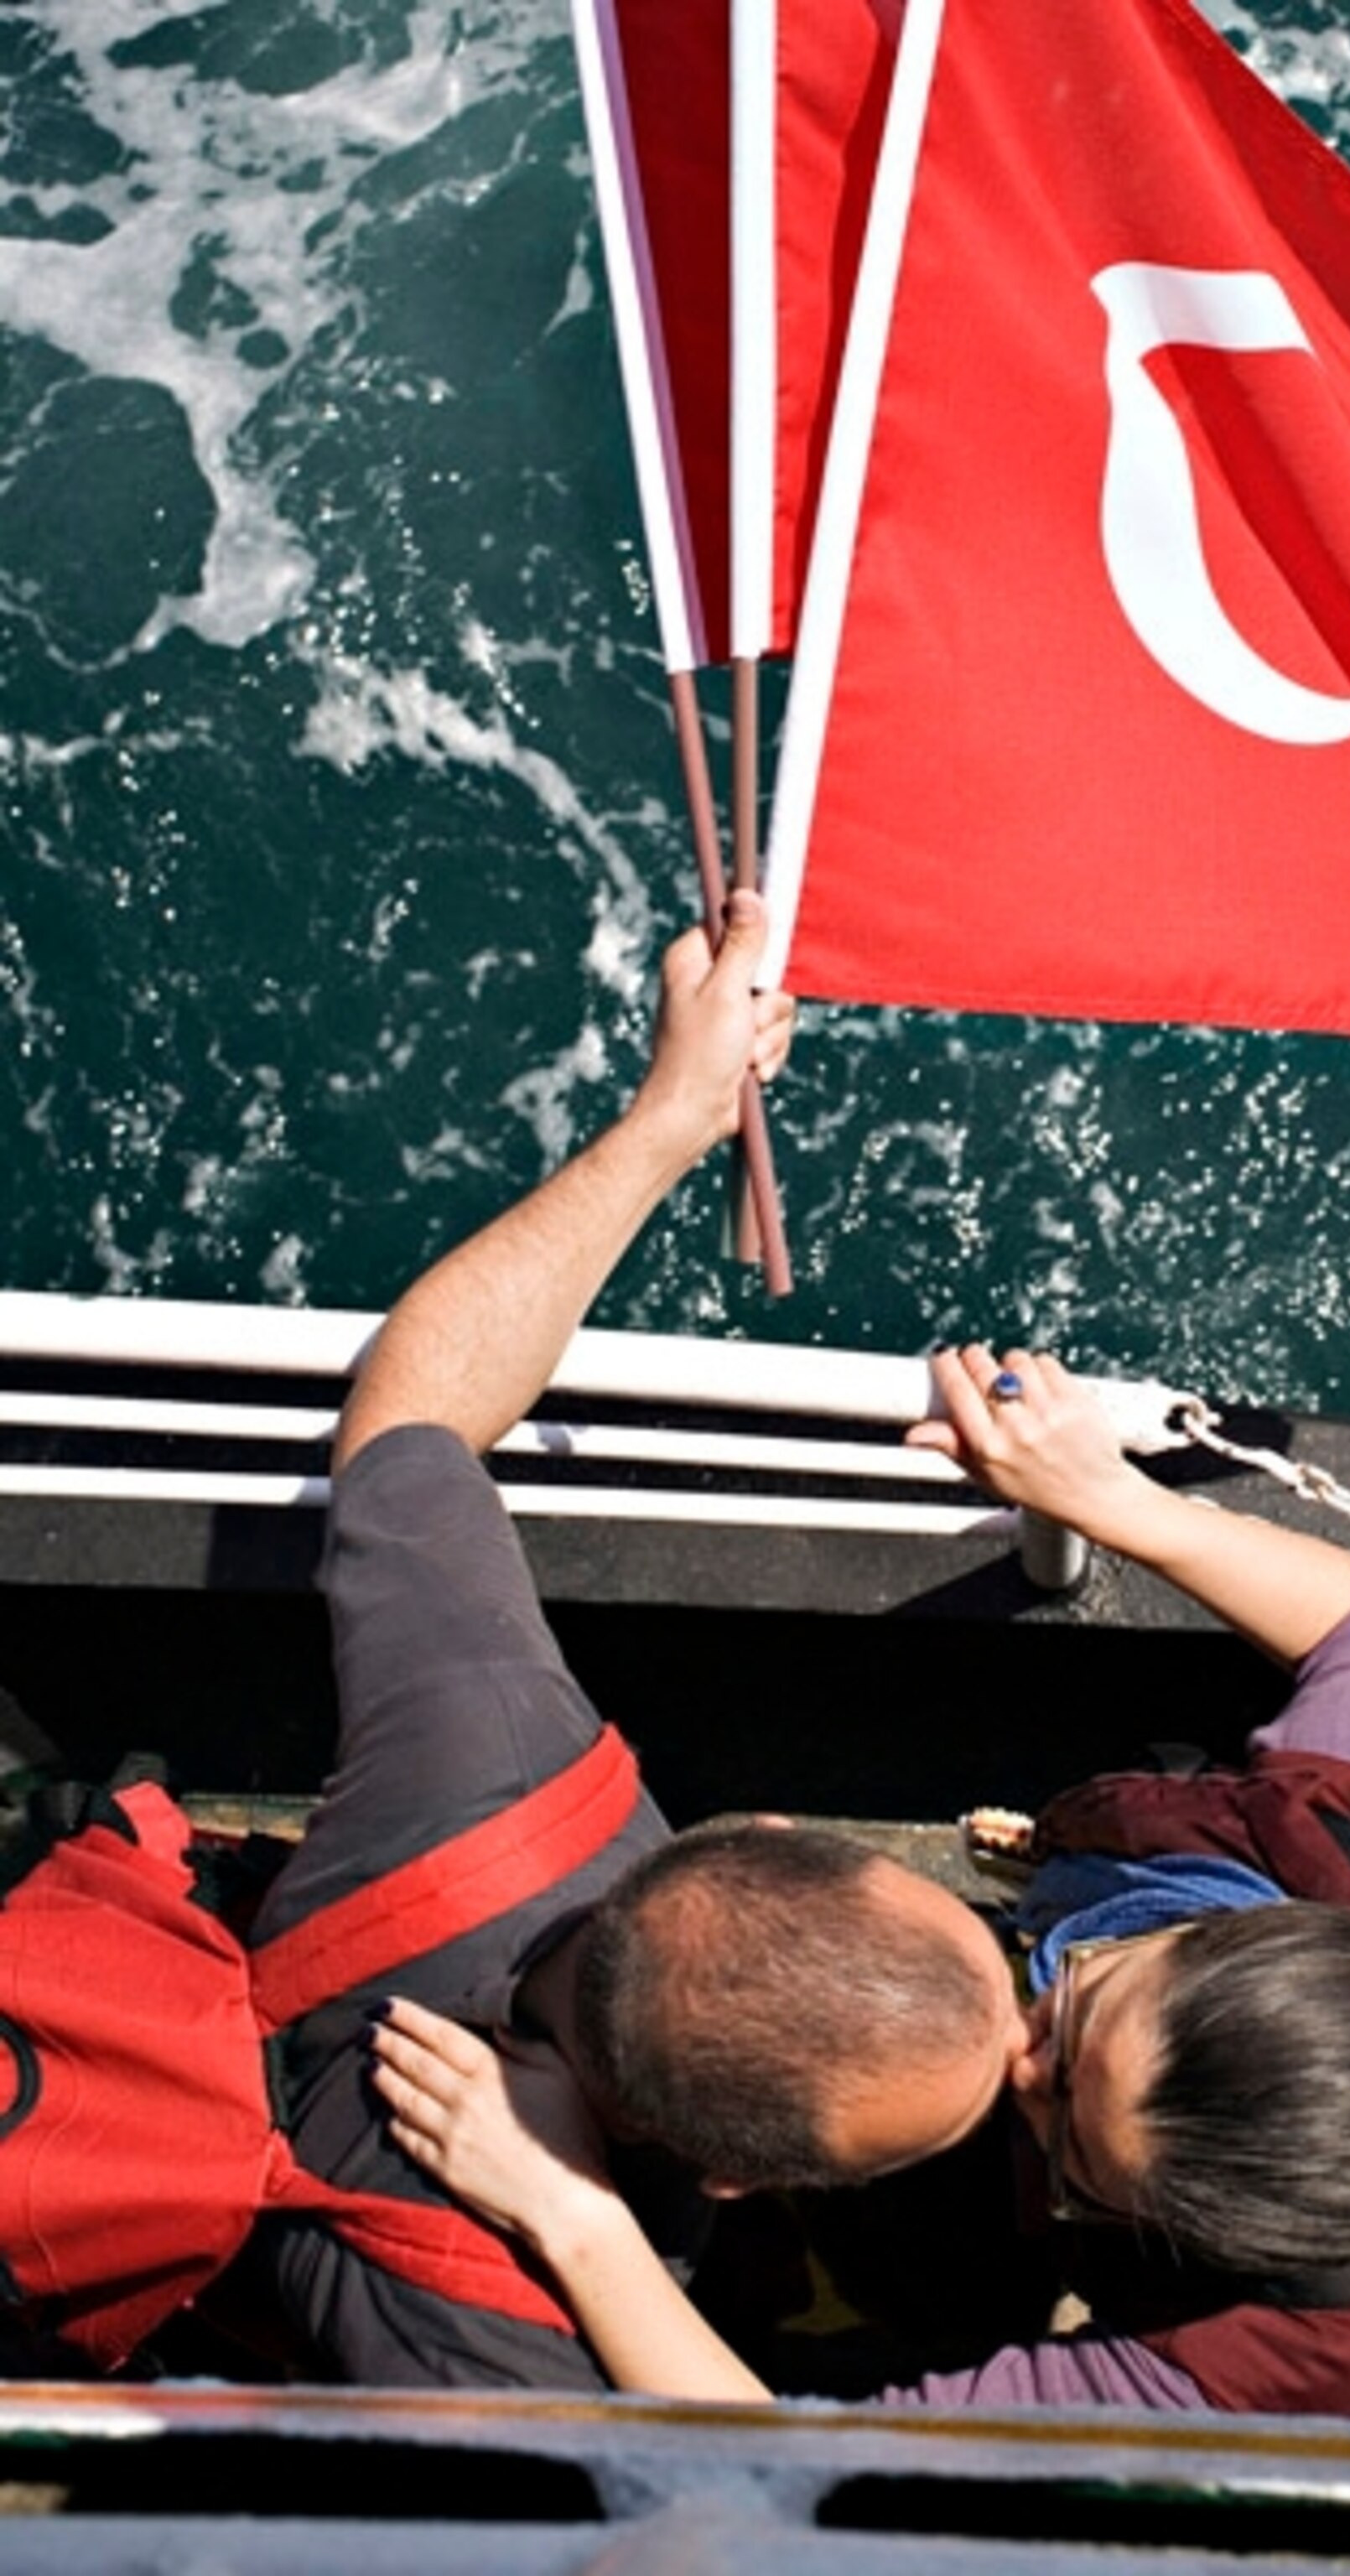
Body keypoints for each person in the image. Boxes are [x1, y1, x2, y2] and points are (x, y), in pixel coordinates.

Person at [370, 1343, 1350, 2416]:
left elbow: (801, 2484)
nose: (1014, 2058)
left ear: (1174, 2233)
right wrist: (1108, 1499)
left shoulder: (1285, 2344)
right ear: (1254, 1937)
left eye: (1064, 2124)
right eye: (1089, 1991)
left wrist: (571, 2211)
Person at [227, 890, 821, 2390]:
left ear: (753, 1835)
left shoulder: (494, 1758)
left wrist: (671, 1118)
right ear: (737, 2185)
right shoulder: (505, 2351)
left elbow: (415, 1420)